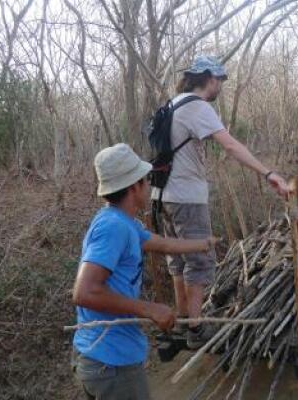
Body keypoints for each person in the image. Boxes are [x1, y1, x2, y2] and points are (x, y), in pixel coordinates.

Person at [151, 55, 290, 349]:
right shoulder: (198, 107)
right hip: (187, 198)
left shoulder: (174, 103)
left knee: (177, 259)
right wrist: (269, 173)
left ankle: (182, 319)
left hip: (162, 195)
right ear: (209, 79)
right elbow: (230, 145)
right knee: (199, 261)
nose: (221, 87)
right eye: (220, 81)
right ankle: (196, 329)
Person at [71, 143, 219, 400]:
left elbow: (162, 244)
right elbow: (84, 292)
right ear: (133, 187)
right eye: (145, 179)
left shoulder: (124, 222)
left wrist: (203, 244)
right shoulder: (113, 227)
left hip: (107, 357)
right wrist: (149, 308)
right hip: (110, 363)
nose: (149, 185)